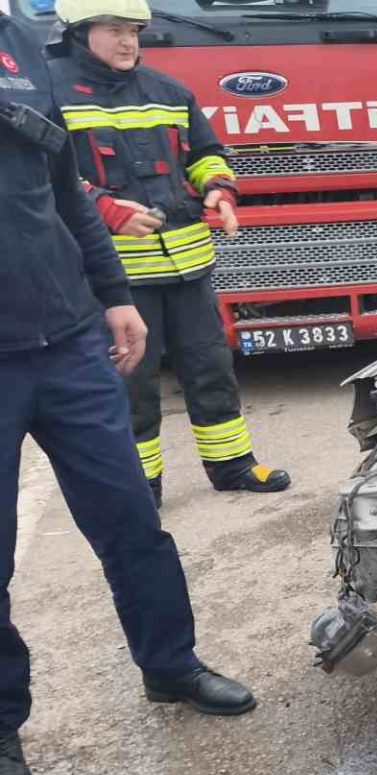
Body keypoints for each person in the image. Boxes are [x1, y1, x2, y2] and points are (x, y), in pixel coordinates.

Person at [0, 7, 256, 775]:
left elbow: (61, 189)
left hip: (69, 337)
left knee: (132, 524)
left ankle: (170, 665)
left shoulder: (16, 44)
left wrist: (112, 294)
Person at [46, 0, 291, 508]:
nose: (128, 41)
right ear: (78, 33)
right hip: (115, 278)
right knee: (129, 383)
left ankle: (232, 464)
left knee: (210, 367)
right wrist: (106, 209)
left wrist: (219, 191)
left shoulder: (169, 91)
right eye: (114, 30)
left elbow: (206, 154)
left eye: (134, 30)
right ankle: (138, 485)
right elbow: (48, 176)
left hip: (189, 265)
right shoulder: (51, 94)